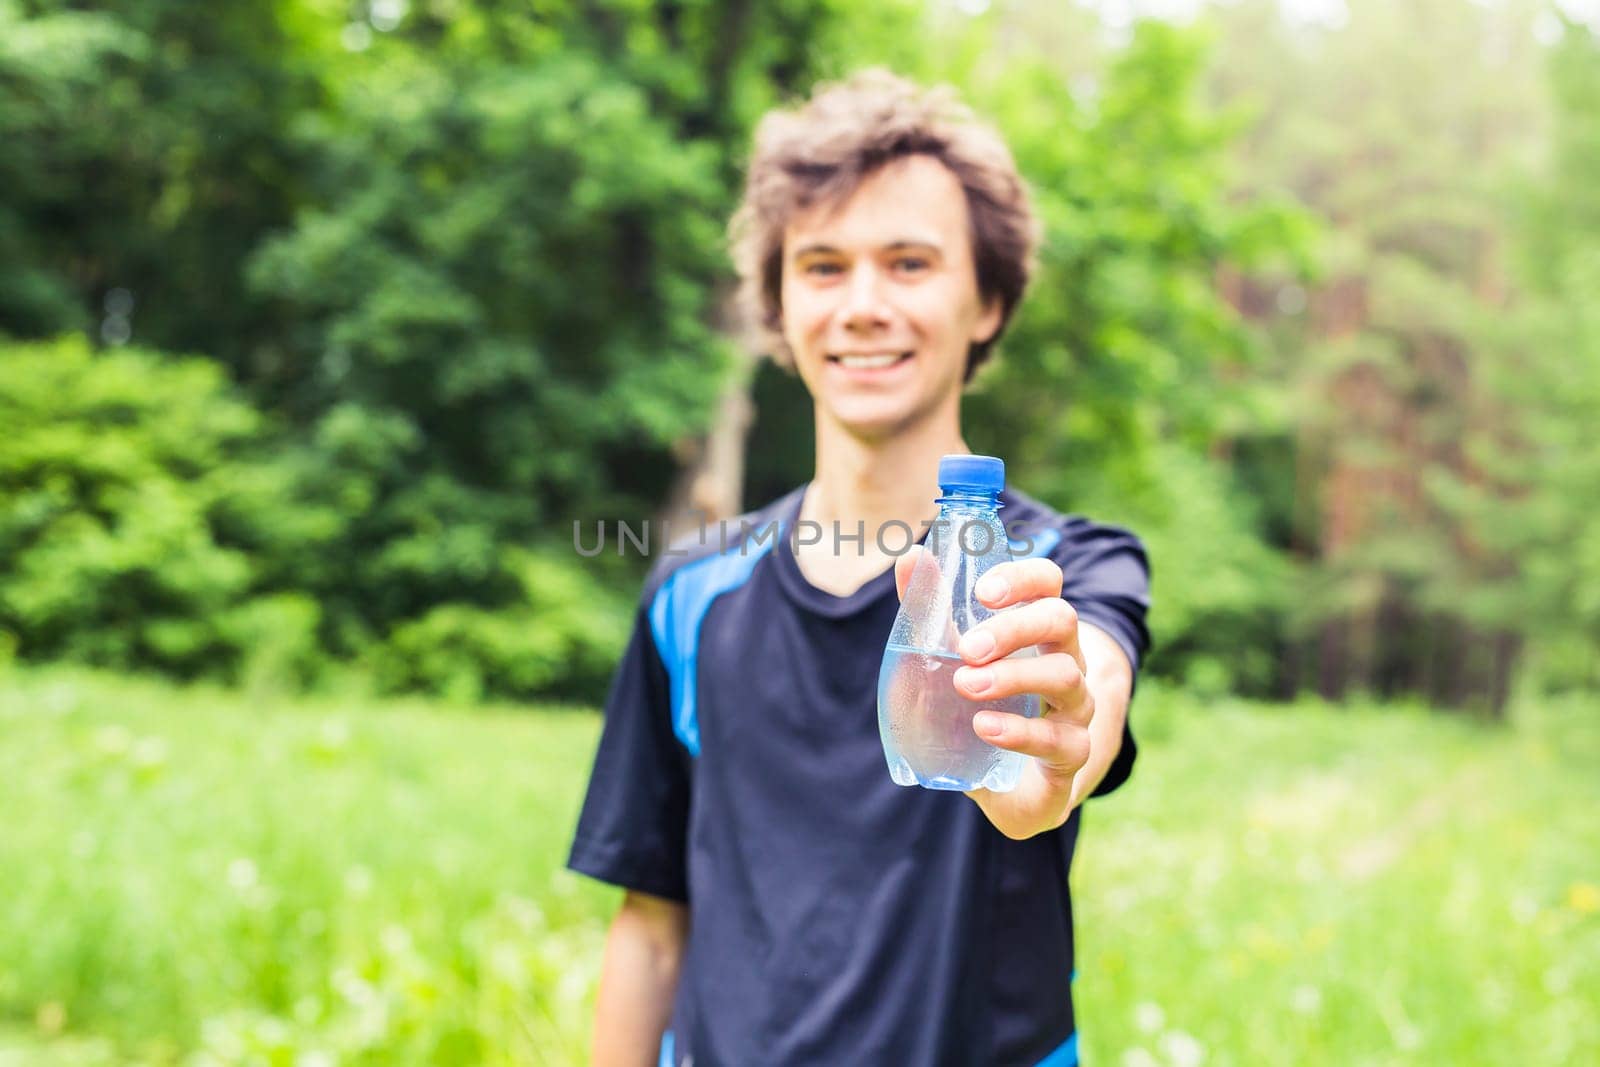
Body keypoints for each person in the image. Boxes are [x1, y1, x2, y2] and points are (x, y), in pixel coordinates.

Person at [566, 69, 1152, 1067]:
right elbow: (653, 926)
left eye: (911, 262)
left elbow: (1084, 693)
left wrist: (1052, 754)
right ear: (778, 309)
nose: (863, 305)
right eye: (824, 266)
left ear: (989, 301)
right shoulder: (690, 592)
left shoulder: (1061, 569)